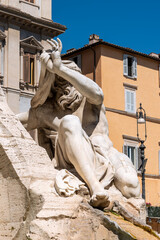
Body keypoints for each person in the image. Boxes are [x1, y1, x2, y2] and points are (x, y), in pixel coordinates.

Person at [18, 38, 140, 208]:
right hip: (71, 162)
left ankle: (102, 186)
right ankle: (95, 187)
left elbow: (97, 93)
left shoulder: (90, 99)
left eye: (68, 81)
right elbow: (13, 123)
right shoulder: (45, 112)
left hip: (104, 156)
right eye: (59, 83)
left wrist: (60, 69)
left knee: (131, 186)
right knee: (69, 121)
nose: (65, 88)